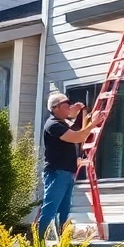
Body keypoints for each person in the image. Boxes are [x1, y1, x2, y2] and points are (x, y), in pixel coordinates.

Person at [37, 92, 99, 238]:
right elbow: (78, 137)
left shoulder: (62, 123)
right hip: (57, 172)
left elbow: (76, 129)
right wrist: (93, 124)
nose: (69, 108)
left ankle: (62, 243)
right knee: (51, 207)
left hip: (67, 172)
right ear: (56, 107)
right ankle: (38, 244)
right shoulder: (53, 125)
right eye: (66, 105)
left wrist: (78, 114)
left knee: (63, 210)